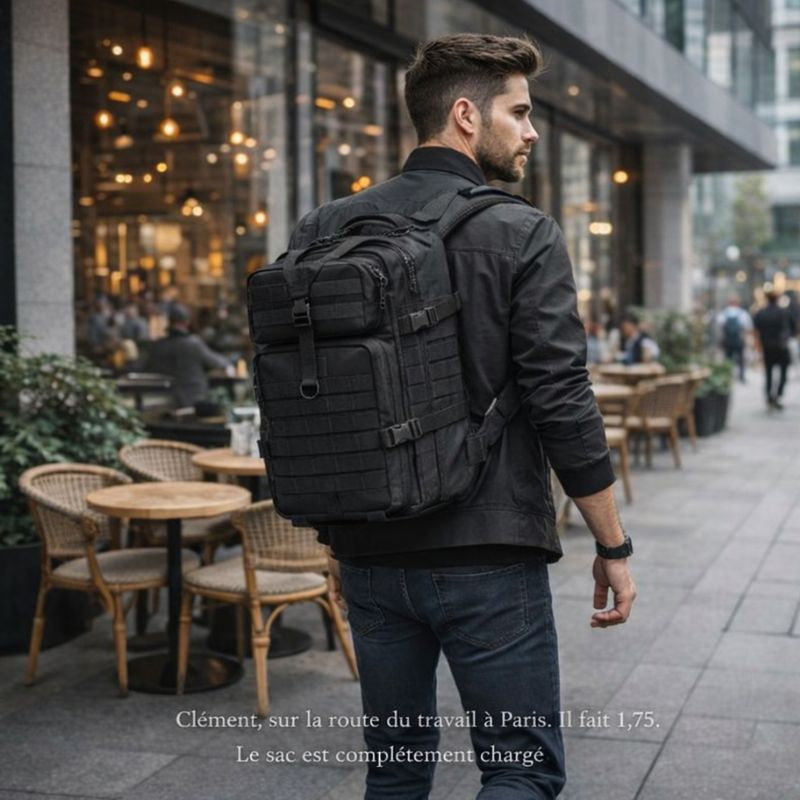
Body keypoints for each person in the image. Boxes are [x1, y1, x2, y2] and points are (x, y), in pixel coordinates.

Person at [286, 34, 636, 799]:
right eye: (521, 111)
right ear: (468, 116)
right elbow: (561, 396)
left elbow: (302, 392)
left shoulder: (322, 230)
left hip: (369, 553)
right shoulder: (522, 231)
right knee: (520, 771)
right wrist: (613, 541)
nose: (533, 130)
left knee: (396, 773)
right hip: (489, 551)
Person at [144, 304, 233, 408]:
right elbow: (216, 362)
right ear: (186, 322)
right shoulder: (192, 343)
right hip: (193, 397)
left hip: (164, 398)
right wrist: (229, 362)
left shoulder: (158, 345)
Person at [753, 291, 795, 410]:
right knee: (783, 372)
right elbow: (793, 328)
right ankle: (778, 394)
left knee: (768, 373)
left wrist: (758, 345)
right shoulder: (784, 312)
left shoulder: (761, 313)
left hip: (767, 347)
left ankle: (769, 397)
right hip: (781, 346)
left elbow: (756, 330)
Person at [716, 296, 751, 382]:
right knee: (741, 359)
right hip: (738, 339)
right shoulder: (742, 313)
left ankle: (727, 376)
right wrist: (745, 339)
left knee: (728, 358)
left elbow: (719, 327)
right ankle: (741, 376)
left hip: (727, 339)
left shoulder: (723, 313)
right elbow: (746, 327)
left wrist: (720, 339)